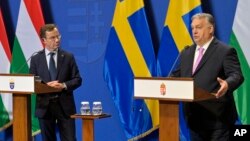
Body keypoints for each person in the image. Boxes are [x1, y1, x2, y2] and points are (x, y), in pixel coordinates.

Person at [171, 13, 244, 141]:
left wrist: (227, 84)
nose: (194, 31)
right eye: (193, 28)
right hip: (194, 119)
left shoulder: (225, 51)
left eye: (198, 27)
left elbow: (236, 75)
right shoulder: (186, 53)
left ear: (210, 29)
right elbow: (174, 77)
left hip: (218, 121)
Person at [30, 24, 82, 141]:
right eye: (52, 38)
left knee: (69, 139)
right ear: (44, 40)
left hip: (64, 106)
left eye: (58, 36)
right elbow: (32, 81)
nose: (57, 40)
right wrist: (45, 86)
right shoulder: (36, 59)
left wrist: (63, 85)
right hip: (44, 107)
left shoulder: (68, 57)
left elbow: (77, 79)